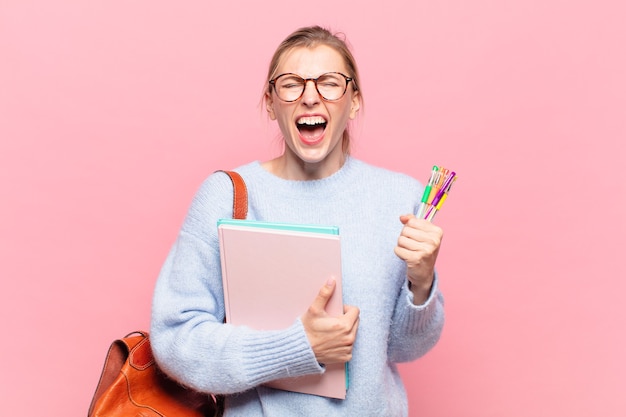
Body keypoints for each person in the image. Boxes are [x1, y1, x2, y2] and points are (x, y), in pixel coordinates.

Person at [151, 25, 445, 416]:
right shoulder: (226, 197)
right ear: (271, 103)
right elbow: (176, 341)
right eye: (291, 84)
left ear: (354, 101)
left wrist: (421, 283)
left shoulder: (399, 198)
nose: (310, 97)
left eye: (329, 83)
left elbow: (405, 349)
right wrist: (297, 347)